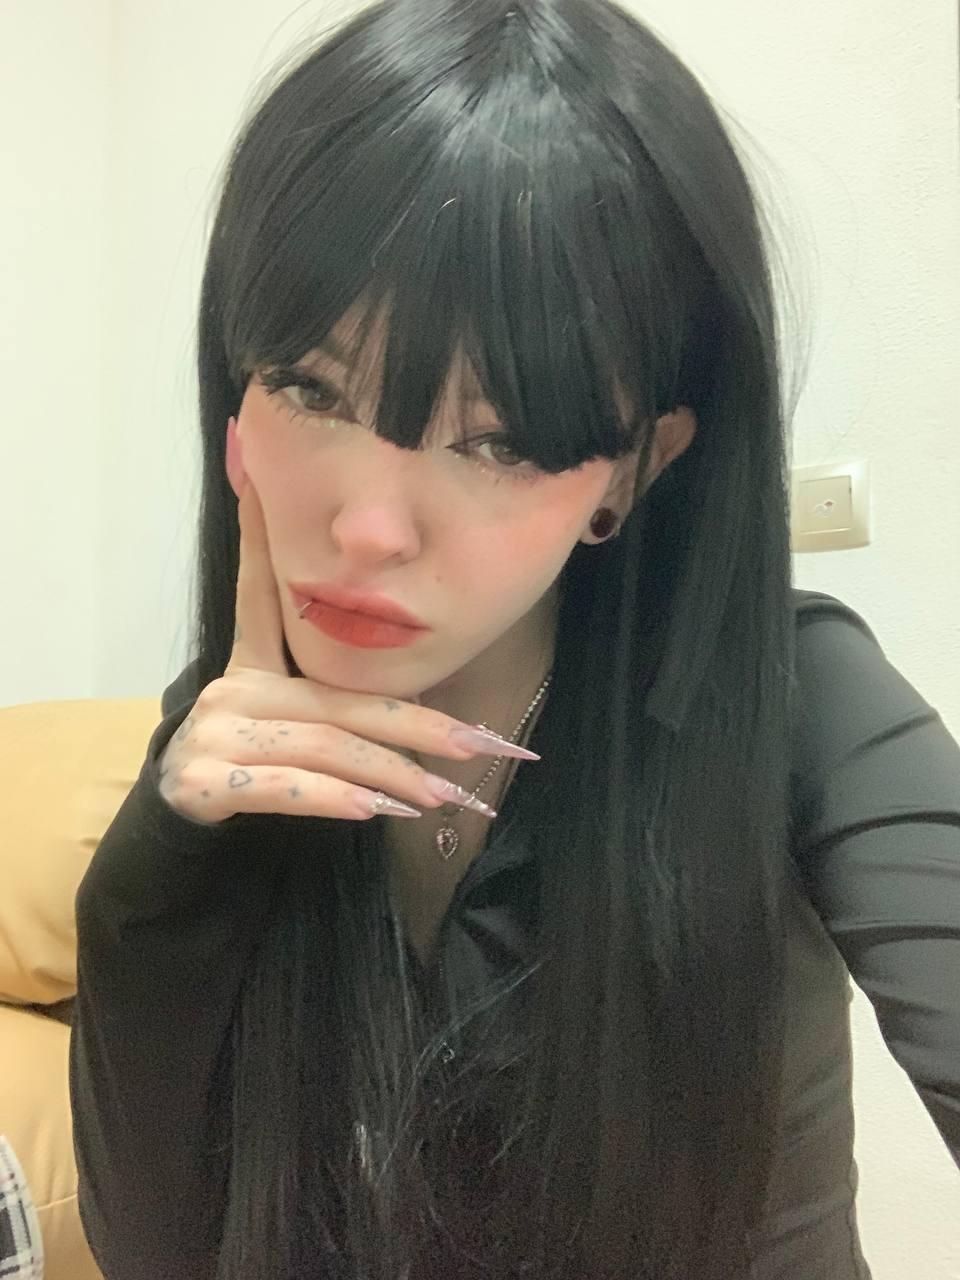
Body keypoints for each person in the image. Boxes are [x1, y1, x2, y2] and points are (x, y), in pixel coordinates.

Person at [67, 1, 960, 1277]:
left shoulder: (797, 700)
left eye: (497, 438)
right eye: (312, 388)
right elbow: (151, 1248)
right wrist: (162, 864)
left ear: (634, 469)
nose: (369, 527)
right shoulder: (234, 743)